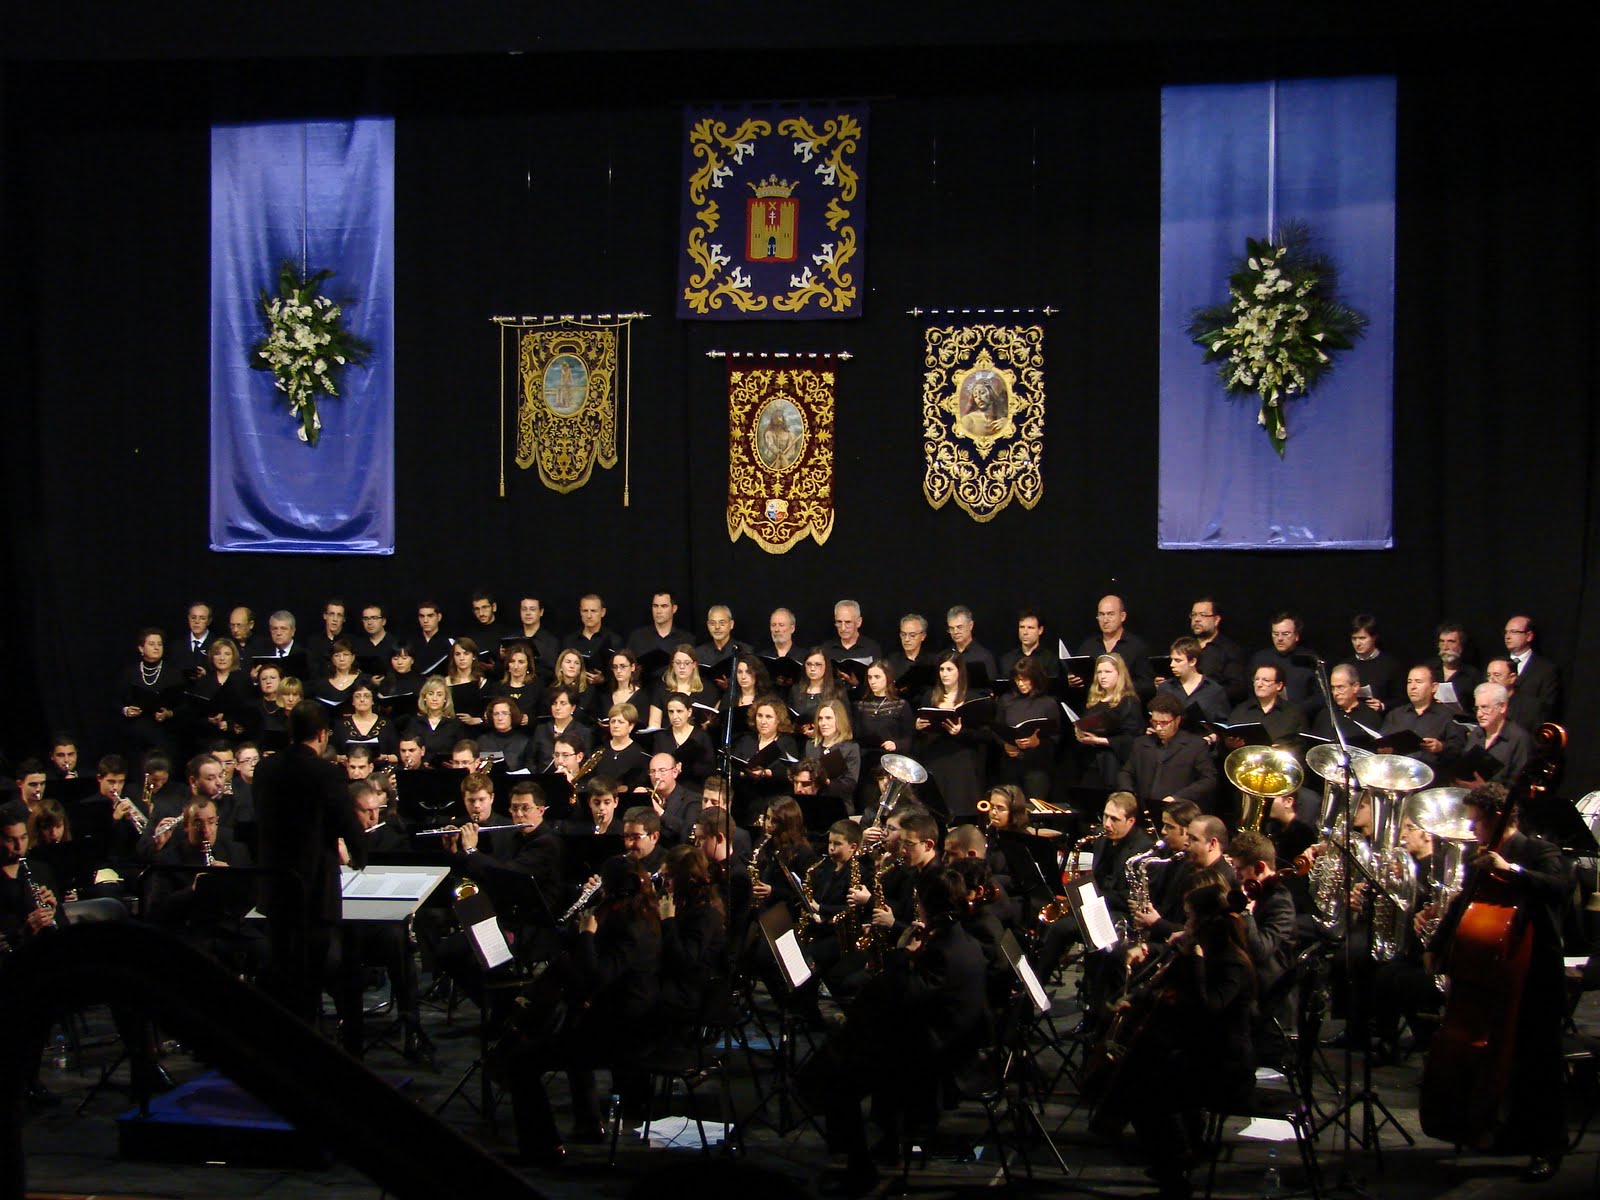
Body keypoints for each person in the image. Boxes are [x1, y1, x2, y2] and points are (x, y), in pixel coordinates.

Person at [1423, 783, 1572, 1181]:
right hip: (1494, 970)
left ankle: (1549, 1146)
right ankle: (1507, 1130)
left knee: (1539, 1061)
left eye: (1476, 822)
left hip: (1535, 969)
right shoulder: (1481, 856)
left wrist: (1511, 871)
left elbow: (1560, 888)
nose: (1472, 829)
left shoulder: (1538, 850)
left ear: (1498, 819)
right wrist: (1437, 945)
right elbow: (1462, 902)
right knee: (1506, 1057)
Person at [812, 866, 988, 1195]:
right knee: (853, 1041)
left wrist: (902, 954)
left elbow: (905, 998)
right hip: (948, 1039)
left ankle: (859, 1169)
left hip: (939, 1056)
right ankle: (886, 1141)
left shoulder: (942, 951)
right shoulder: (962, 939)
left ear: (927, 905)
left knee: (839, 1080)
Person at [1105, 878, 1258, 1199]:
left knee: (1148, 1088)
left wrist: (1196, 960)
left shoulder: (1231, 961)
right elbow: (1168, 982)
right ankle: (1176, 1156)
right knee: (1143, 1071)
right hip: (1201, 1052)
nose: (1184, 925)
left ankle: (1175, 1169)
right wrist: (1137, 997)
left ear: (1205, 922)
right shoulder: (1205, 951)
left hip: (1226, 1065)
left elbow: (1210, 1007)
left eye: (1189, 917)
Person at [506, 855, 662, 1162]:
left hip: (625, 1030)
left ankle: (542, 1147)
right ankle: (588, 1123)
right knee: (570, 1032)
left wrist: (587, 935)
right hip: (620, 1019)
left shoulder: (631, 925)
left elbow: (598, 976)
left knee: (522, 1061)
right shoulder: (640, 913)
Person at [253, 700, 368, 1022]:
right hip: (312, 885)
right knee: (311, 968)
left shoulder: (265, 769)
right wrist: (360, 855)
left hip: (275, 881)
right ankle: (308, 1028)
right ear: (322, 734)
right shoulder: (324, 772)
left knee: (283, 963)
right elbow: (345, 820)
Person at [1117, 692, 1218, 815]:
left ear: (1177, 720)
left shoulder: (1195, 745)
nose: (1158, 728)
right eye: (1155, 722)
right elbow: (1126, 772)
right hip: (1145, 808)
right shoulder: (1141, 743)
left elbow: (1209, 779)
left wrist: (1178, 797)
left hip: (1179, 810)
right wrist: (1128, 792)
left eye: (1164, 723)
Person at [913, 652, 986, 819]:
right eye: (941, 669)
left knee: (960, 806)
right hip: (935, 757)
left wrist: (961, 732)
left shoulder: (972, 698)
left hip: (961, 758)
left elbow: (984, 734)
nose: (944, 674)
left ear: (960, 671)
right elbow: (921, 732)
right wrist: (917, 726)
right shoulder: (930, 696)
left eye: (949, 669)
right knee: (936, 809)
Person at [993, 655, 1061, 800]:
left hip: (1037, 767)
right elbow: (996, 730)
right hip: (1010, 765)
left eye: (1025, 679)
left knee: (1034, 806)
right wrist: (1005, 745)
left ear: (1035, 678)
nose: (1021, 684)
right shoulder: (1006, 700)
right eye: (1017, 680)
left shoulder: (1048, 703)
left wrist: (1037, 742)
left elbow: (1056, 738)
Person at [1072, 653, 1143, 789]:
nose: (1102, 676)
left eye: (1108, 672)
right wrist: (1080, 733)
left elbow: (1133, 738)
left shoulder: (1128, 701)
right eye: (1099, 672)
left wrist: (1100, 740)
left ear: (1119, 674)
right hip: (1091, 761)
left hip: (1113, 764)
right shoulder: (1095, 700)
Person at [1378, 664, 1465, 771]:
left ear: (1434, 687)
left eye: (1418, 682)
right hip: (1397, 773)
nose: (1412, 687)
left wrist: (1441, 747)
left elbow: (1459, 749)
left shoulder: (1447, 715)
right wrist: (1384, 749)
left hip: (1433, 774)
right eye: (1409, 682)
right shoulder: (1395, 715)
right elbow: (1381, 742)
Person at [1072, 595, 1154, 701]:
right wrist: (1073, 681)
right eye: (1101, 614)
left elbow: (1147, 685)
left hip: (1126, 705)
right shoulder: (1088, 647)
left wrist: (1118, 685)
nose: (1105, 620)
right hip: (1094, 705)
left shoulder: (1137, 647)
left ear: (1122, 616)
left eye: (1110, 614)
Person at [1454, 681, 1532, 786]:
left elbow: (1519, 786)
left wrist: (1484, 788)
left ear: (1502, 707)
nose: (1479, 714)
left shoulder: (1519, 739)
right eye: (1477, 708)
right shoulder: (1476, 733)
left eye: (1485, 707)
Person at [1225, 663, 1307, 747]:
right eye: (1256, 679)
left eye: (1266, 680)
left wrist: (1284, 749)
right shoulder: (1240, 711)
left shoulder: (1294, 712)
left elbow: (1302, 745)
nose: (1259, 684)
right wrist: (1230, 744)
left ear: (1279, 686)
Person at [1186, 596, 1249, 705]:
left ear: (1216, 620)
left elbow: (1238, 689)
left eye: (1203, 615)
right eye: (1194, 615)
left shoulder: (1229, 650)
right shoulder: (1185, 647)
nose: (1196, 619)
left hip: (1214, 708)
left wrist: (1207, 693)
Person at [1156, 636, 1231, 725]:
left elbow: (1223, 724)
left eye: (1178, 660)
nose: (1172, 664)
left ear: (1192, 662)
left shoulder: (1214, 690)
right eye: (1171, 660)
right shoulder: (1166, 688)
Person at [1501, 613, 1560, 723]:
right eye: (1506, 632)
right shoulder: (1496, 664)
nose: (1507, 636)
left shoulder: (1545, 670)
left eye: (1514, 632)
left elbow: (1547, 708)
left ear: (1529, 636)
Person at [804, 698, 860, 807]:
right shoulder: (811, 745)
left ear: (839, 720)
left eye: (828, 718)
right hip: (813, 802)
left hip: (839, 803)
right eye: (820, 719)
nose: (823, 723)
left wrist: (828, 782)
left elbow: (850, 784)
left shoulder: (850, 748)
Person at [1343, 613, 1404, 712]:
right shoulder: (1346, 666)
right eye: (1354, 638)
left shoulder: (1390, 665)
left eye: (1362, 638)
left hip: (1379, 717)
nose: (1357, 643)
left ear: (1374, 637)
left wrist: (1383, 706)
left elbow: (1401, 699)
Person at [1311, 663, 1384, 744]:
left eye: (1340, 687)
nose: (1335, 693)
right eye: (1333, 688)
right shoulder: (1325, 715)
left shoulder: (1370, 716)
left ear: (1355, 687)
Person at [652, 691, 715, 784]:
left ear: (689, 712)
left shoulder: (701, 737)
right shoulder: (661, 737)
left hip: (694, 786)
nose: (675, 716)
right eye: (671, 712)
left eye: (679, 711)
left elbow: (709, 768)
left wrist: (686, 768)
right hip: (666, 785)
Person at [854, 659, 914, 755]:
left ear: (888, 678)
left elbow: (909, 738)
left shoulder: (900, 705)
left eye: (877, 677)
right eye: (870, 677)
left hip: (892, 756)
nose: (872, 681)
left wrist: (896, 744)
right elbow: (857, 738)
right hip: (867, 756)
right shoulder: (861, 705)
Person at [642, 752, 701, 845]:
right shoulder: (647, 795)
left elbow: (689, 833)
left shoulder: (692, 799)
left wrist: (660, 813)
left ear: (674, 772)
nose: (656, 776)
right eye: (652, 771)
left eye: (662, 770)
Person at [405, 676, 465, 762]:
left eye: (439, 695)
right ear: (424, 697)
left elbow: (461, 751)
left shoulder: (455, 724)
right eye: (430, 694)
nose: (434, 698)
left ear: (445, 699)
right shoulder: (415, 723)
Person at [998, 606, 1061, 681]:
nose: (1025, 632)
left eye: (1030, 628)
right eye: (1022, 627)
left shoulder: (1050, 660)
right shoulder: (1007, 659)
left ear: (1040, 630)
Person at [944, 604, 998, 685]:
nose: (955, 632)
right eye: (951, 628)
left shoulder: (984, 657)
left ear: (970, 625)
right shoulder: (945, 656)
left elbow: (991, 688)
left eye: (959, 627)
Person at [477, 696, 531, 770]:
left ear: (512, 715)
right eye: (496, 714)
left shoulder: (524, 741)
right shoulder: (482, 741)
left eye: (504, 713)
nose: (500, 718)